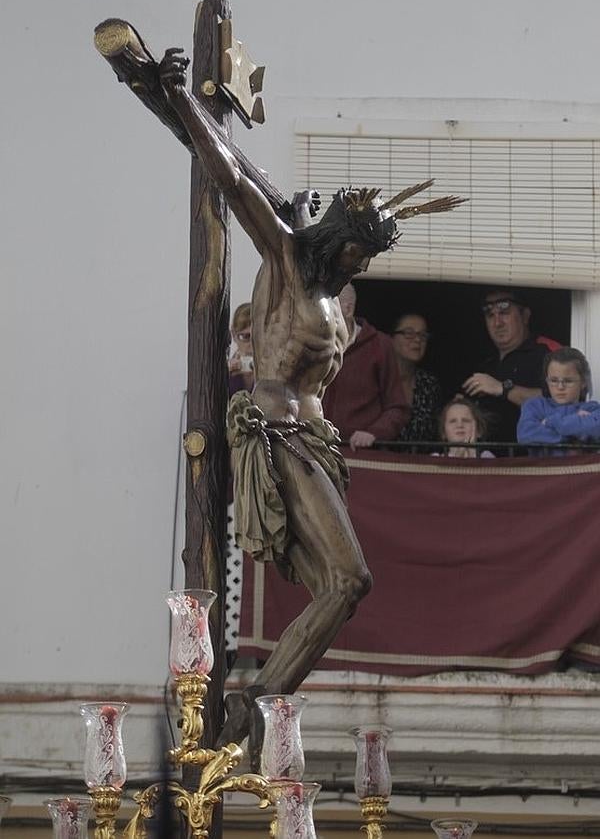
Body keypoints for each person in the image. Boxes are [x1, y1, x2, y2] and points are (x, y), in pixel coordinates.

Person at [159, 48, 463, 750]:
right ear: (335, 237)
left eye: (369, 258)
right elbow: (234, 181)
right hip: (276, 432)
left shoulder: (332, 298)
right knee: (350, 579)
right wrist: (185, 102)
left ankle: (257, 702)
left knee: (346, 586)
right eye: (357, 252)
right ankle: (254, 704)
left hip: (314, 444)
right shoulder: (289, 260)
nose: (362, 265)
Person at [322, 284, 409, 450]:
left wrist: (374, 433)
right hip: (318, 451)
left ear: (348, 309)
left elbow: (397, 408)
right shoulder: (315, 345)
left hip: (362, 455)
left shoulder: (379, 346)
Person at [462, 288, 549, 444]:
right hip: (485, 457)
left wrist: (503, 389)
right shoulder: (485, 365)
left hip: (528, 458)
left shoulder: (545, 356)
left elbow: (559, 404)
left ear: (525, 316)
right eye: (490, 315)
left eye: (504, 313)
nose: (497, 323)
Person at [517, 347, 600, 448]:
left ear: (583, 382)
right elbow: (525, 435)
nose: (560, 387)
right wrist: (574, 434)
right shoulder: (534, 406)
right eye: (554, 380)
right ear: (547, 381)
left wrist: (549, 421)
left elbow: (595, 429)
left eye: (568, 381)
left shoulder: (593, 409)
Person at [392, 313, 442, 442]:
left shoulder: (429, 384)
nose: (417, 340)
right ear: (391, 338)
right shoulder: (376, 379)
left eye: (423, 335)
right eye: (409, 333)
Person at [229, 302, 254, 395]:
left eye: (257, 338)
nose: (251, 344)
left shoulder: (273, 373)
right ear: (234, 335)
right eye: (245, 337)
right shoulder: (227, 373)